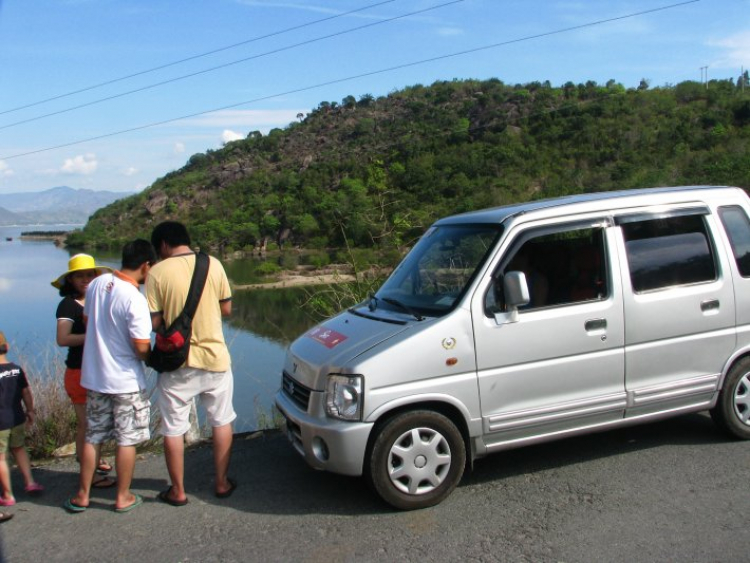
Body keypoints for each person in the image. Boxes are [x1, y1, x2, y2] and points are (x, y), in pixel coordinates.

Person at [146, 221, 236, 506]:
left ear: (163, 245)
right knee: (221, 420)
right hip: (215, 358)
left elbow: (154, 322)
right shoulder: (214, 264)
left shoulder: (156, 273)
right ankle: (221, 483)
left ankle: (178, 490)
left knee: (173, 427)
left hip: (177, 362)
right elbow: (227, 308)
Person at [63, 240, 156, 514]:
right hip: (125, 381)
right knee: (126, 439)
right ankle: (123, 496)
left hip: (94, 377)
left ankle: (82, 495)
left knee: (93, 436)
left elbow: (88, 321)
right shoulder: (134, 298)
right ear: (145, 265)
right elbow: (141, 347)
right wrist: (153, 357)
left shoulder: (95, 286)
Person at [53, 254, 115, 486]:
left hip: (98, 371)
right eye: (80, 275)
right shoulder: (68, 304)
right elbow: (63, 338)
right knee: (87, 424)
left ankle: (93, 460)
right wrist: (95, 336)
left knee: (97, 423)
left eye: (90, 274)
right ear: (70, 280)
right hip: (79, 372)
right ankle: (90, 474)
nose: (86, 279)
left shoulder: (99, 300)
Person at [0, 330, 44, 520]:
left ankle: (8, 495)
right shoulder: (17, 369)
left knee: (1, 458)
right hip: (17, 418)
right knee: (19, 449)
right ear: (7, 347)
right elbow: (26, 392)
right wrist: (31, 410)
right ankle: (30, 482)